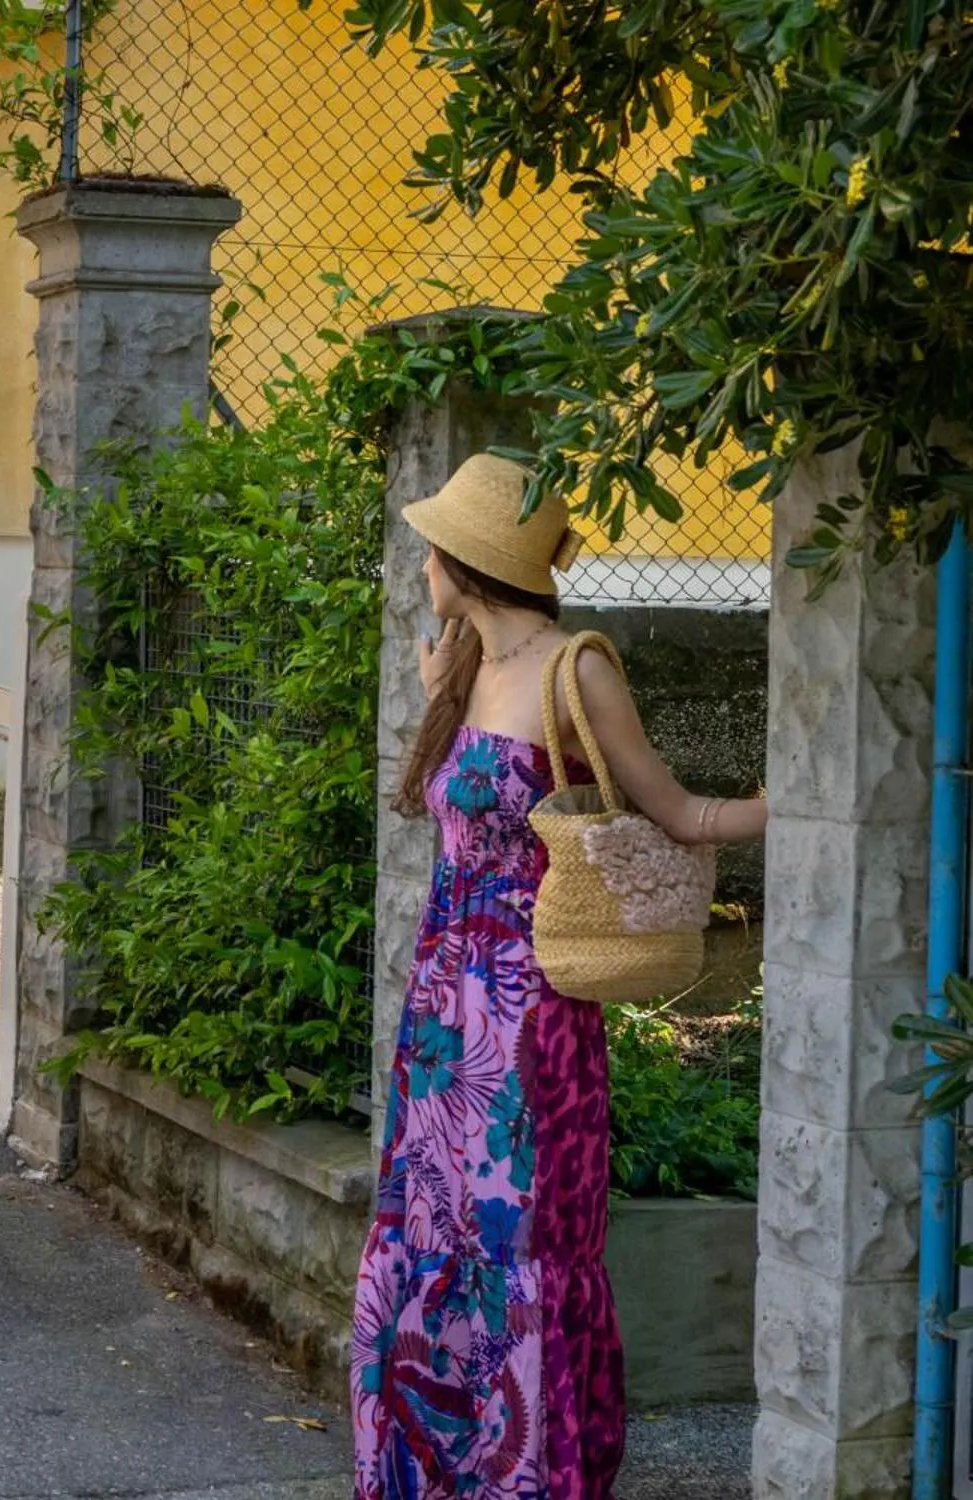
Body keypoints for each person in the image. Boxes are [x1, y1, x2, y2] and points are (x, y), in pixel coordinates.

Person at [350, 453, 767, 1498]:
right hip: (444, 1011)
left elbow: (675, 813)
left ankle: (530, 1477)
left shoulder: (574, 670)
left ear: (462, 562)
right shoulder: (463, 663)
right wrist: (437, 689)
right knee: (434, 1229)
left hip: (529, 1019)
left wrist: (797, 798)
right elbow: (443, 816)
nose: (421, 564)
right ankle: (437, 1471)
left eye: (431, 549)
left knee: (521, 1240)